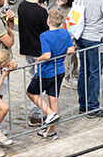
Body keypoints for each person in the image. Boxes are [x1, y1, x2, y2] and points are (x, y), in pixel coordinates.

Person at [28, 8, 72, 140]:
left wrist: (39, 59)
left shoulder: (45, 36)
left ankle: (49, 114)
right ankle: (51, 131)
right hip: (60, 70)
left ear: (48, 21)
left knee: (31, 92)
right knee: (53, 98)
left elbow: (47, 55)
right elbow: (71, 49)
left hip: (47, 71)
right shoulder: (65, 32)